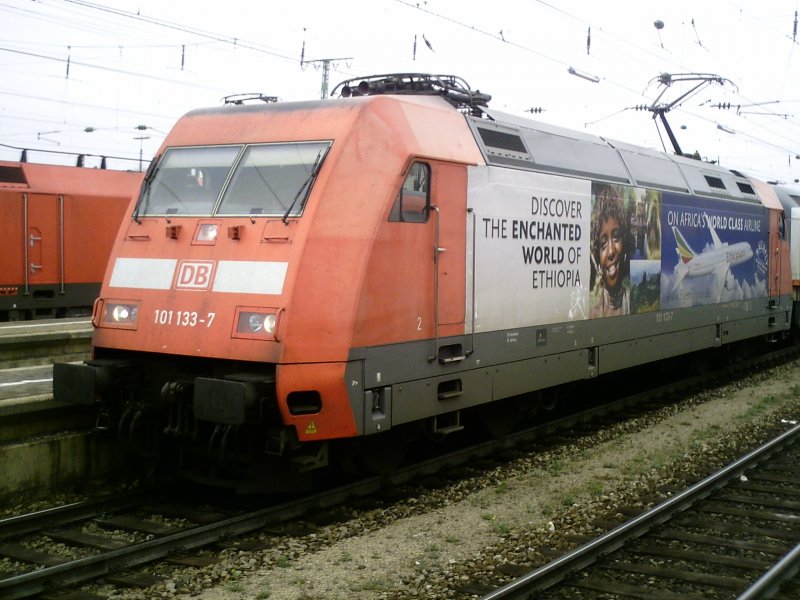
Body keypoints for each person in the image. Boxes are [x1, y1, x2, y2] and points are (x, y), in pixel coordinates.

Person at [590, 185, 630, 318]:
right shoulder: (593, 316)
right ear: (597, 255)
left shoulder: (633, 305)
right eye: (603, 244)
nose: (611, 251)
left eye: (616, 237)